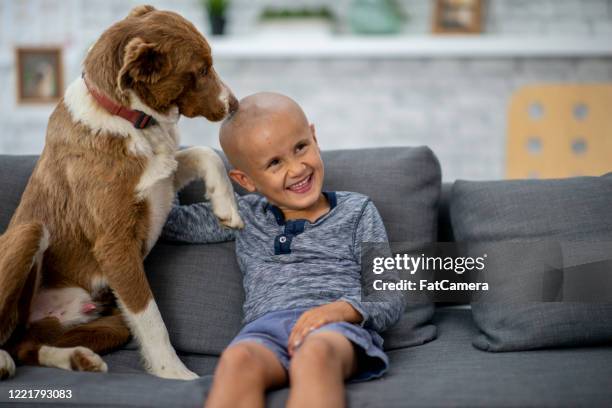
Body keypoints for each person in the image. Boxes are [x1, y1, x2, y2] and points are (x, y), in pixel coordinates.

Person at [161, 92, 405, 408]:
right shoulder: (241, 214)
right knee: (236, 360)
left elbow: (389, 297)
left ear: (314, 137)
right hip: (264, 334)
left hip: (334, 329)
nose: (296, 168)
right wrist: (162, 155)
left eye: (300, 147)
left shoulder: (357, 211)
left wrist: (340, 310)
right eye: (275, 163)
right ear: (245, 180)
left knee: (315, 354)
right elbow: (169, 223)